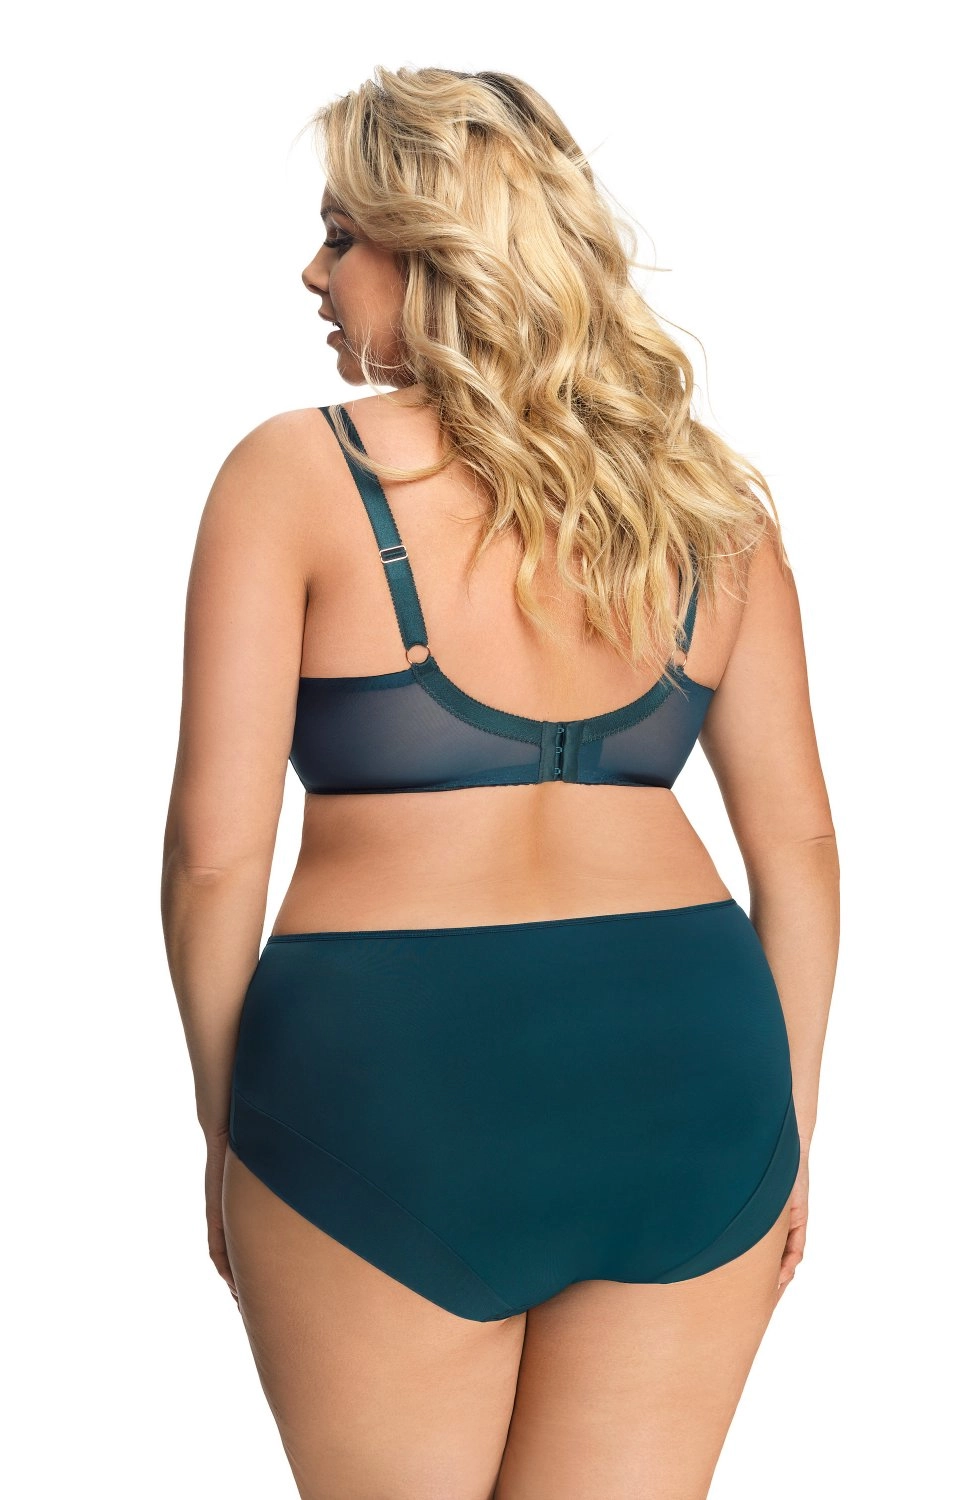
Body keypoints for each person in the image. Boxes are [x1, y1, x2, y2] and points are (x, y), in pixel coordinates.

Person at [161, 65, 839, 1500]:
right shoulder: (706, 503)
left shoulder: (294, 474)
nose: (314, 272)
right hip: (691, 1071)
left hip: (387, 1078)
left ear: (437, 248)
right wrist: (791, 1128)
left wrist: (227, 1124)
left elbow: (216, 858)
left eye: (342, 236)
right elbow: (803, 852)